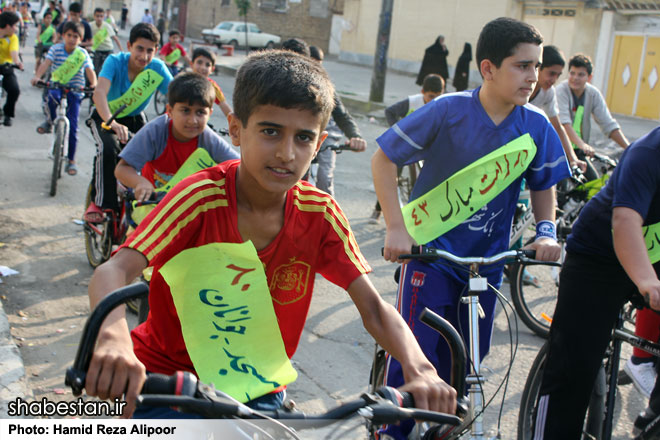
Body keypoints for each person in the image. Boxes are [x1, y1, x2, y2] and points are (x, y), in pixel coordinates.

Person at [83, 49, 457, 420]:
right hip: (165, 382)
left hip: (257, 390)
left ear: (320, 143)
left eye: (303, 138)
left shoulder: (320, 214)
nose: (286, 153)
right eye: (270, 131)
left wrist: (420, 368)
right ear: (235, 129)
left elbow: (374, 308)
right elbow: (112, 272)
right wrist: (113, 340)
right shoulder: (199, 198)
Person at [372, 17, 571, 440]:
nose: (533, 77)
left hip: (487, 268)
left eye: (537, 67)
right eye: (522, 66)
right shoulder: (448, 110)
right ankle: (391, 434)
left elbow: (543, 185)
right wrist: (395, 227)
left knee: (465, 373)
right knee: (415, 365)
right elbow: (383, 159)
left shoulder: (534, 125)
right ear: (488, 69)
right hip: (431, 257)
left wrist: (547, 231)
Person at [532, 126, 660, 438]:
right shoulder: (649, 153)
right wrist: (646, 280)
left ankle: (653, 414)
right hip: (599, 257)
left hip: (653, 252)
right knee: (571, 371)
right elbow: (625, 220)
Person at [85, 23, 172, 222]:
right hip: (105, 116)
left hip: (135, 119)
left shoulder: (157, 68)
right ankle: (100, 203)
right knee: (108, 149)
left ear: (156, 51)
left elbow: (178, 94)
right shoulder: (114, 61)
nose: (144, 56)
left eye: (150, 51)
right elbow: (99, 93)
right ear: (129, 46)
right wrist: (111, 122)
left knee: (157, 152)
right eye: (139, 49)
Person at [115, 72, 238, 203]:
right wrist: (141, 183)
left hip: (189, 207)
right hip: (152, 205)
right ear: (170, 111)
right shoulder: (156, 131)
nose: (193, 121)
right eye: (185, 110)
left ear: (210, 114)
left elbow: (239, 169)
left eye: (200, 112)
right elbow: (122, 168)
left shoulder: (209, 140)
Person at [281, 38, 366, 197]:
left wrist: (355, 136)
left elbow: (341, 114)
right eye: (286, 64)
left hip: (316, 138)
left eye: (298, 65)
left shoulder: (322, 87)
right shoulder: (269, 86)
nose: (292, 72)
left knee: (323, 178)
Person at [370, 73, 445, 223]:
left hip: (428, 145)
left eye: (438, 96)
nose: (434, 100)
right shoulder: (412, 102)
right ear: (423, 92)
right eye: (430, 96)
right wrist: (399, 133)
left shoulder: (443, 104)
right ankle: (378, 210)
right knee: (391, 176)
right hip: (407, 144)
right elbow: (390, 111)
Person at [31, 21, 96, 175]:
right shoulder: (56, 49)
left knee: (73, 127)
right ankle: (49, 121)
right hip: (57, 86)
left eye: (76, 36)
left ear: (80, 39)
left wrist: (94, 84)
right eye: (69, 35)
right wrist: (37, 76)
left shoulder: (82, 54)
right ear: (63, 36)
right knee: (51, 97)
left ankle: (71, 161)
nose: (72, 39)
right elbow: (46, 64)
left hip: (75, 90)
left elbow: (89, 71)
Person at [556, 53, 629, 181]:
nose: (575, 78)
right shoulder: (561, 90)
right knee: (559, 185)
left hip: (578, 149)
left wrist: (629, 148)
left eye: (581, 74)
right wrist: (583, 145)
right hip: (558, 147)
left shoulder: (593, 94)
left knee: (593, 182)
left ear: (589, 77)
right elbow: (564, 124)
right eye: (572, 73)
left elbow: (608, 125)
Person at [529, 45, 585, 172]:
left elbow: (558, 127)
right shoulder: (520, 87)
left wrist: (572, 158)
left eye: (558, 75)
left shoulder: (548, 92)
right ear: (539, 68)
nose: (554, 80)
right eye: (551, 73)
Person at [190, 47, 232, 119]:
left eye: (207, 65)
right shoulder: (183, 81)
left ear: (212, 69)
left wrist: (236, 124)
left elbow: (224, 106)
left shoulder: (211, 86)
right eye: (199, 62)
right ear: (191, 64)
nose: (203, 67)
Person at [0, 10, 23, 126]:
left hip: (6, 68)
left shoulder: (13, 38)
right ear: (8, 26)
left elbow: (14, 52)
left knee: (14, 90)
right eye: (15, 25)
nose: (16, 28)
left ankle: (7, 114)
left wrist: (17, 62)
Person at [90, 7, 121, 74]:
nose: (99, 18)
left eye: (101, 16)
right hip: (97, 50)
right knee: (95, 70)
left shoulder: (107, 26)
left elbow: (115, 38)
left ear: (103, 17)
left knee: (108, 69)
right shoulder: (90, 25)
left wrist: (121, 50)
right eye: (97, 16)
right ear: (94, 16)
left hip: (108, 49)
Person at [34, 9, 54, 74]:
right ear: (44, 19)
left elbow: (55, 37)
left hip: (49, 45)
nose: (49, 20)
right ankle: (36, 73)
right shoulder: (41, 26)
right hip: (41, 45)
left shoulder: (52, 28)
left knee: (50, 60)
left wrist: (54, 41)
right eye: (47, 18)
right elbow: (38, 35)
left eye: (50, 18)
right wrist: (39, 41)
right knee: (38, 60)